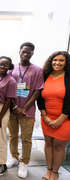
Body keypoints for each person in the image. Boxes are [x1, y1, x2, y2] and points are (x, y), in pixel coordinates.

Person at [6, 42, 44, 179]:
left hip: (28, 111)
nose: (26, 54)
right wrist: (15, 107)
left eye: (29, 52)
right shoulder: (11, 68)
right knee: (12, 136)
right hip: (12, 109)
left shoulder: (38, 70)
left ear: (32, 54)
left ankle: (24, 162)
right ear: (19, 52)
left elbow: (37, 91)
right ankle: (14, 157)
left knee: (26, 139)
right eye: (23, 51)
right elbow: (6, 90)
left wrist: (24, 108)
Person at [37, 51, 70, 180]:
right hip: (47, 117)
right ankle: (49, 170)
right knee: (48, 143)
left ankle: (55, 172)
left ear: (66, 63)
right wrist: (44, 116)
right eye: (55, 60)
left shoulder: (68, 77)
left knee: (58, 145)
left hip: (65, 119)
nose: (57, 63)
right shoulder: (45, 76)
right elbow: (39, 97)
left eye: (61, 60)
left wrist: (60, 119)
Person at [0, 56, 17, 176]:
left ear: (9, 67)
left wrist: (0, 117)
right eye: (0, 64)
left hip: (1, 109)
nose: (2, 67)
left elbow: (8, 101)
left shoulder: (11, 81)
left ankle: (2, 164)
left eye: (6, 65)